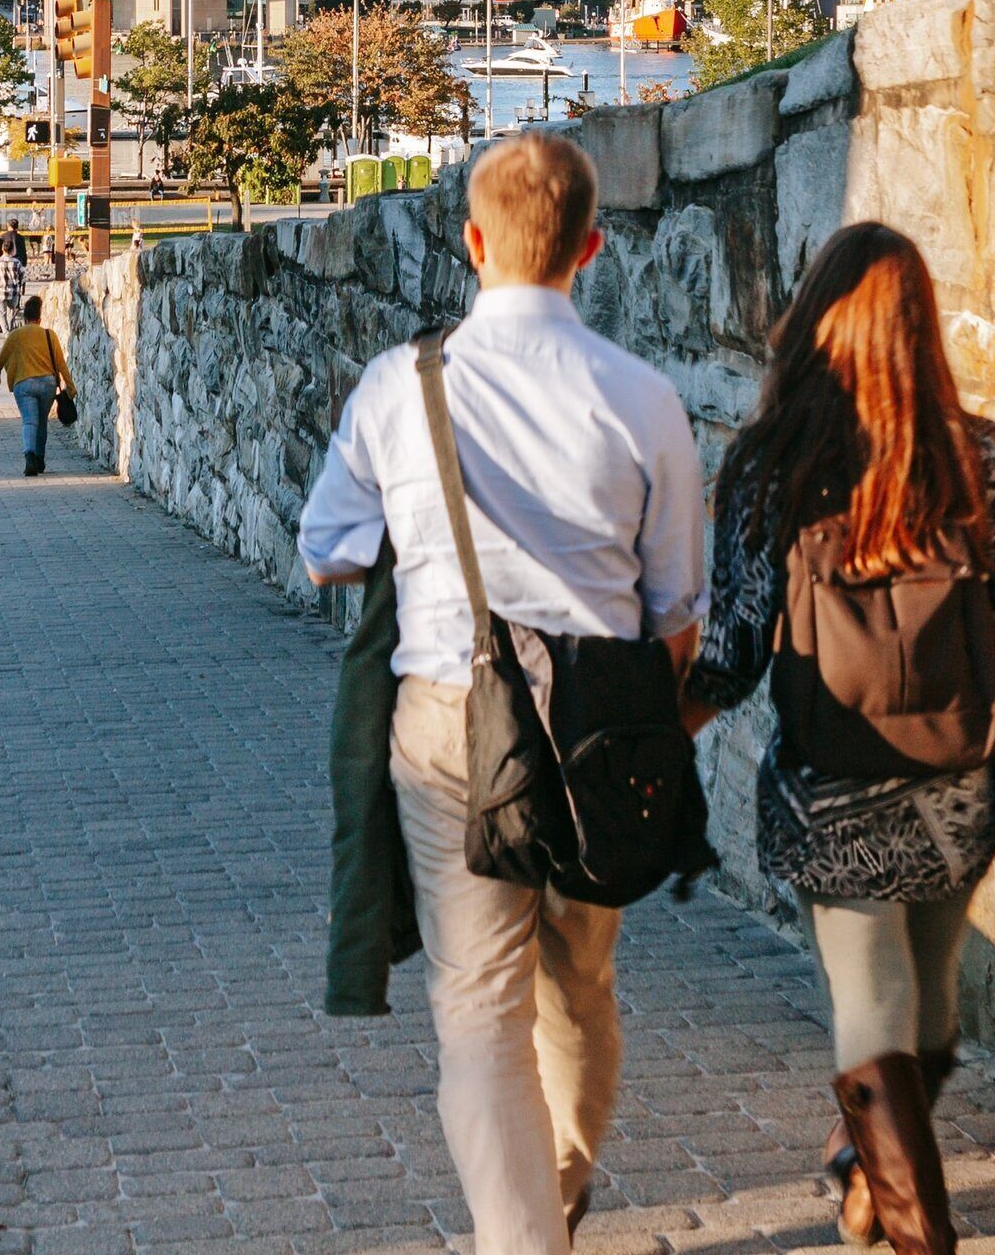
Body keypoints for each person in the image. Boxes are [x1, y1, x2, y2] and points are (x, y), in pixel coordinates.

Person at [298, 132, 705, 1254]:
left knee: (479, 1009)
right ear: (592, 248)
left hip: (449, 716)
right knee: (580, 981)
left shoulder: (402, 385)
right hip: (603, 722)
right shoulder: (645, 398)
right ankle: (553, 1188)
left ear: (472, 243)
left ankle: (525, 1228)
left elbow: (327, 550)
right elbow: (678, 609)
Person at [678, 222, 995, 1255]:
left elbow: (735, 648)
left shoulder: (769, 466)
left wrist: (665, 731)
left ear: (815, 324)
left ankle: (884, 1190)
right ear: (921, 329)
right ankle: (889, 1196)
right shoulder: (974, 454)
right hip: (958, 787)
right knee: (928, 1022)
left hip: (825, 792)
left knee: (878, 1011)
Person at [0, 294, 71, 477]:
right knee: (42, 421)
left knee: (29, 421)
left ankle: (29, 455)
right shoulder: (49, 335)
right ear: (39, 319)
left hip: (24, 384)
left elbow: (1, 359)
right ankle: (40, 459)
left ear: (24, 318)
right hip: (48, 384)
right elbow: (61, 364)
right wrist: (71, 387)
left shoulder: (16, 335)